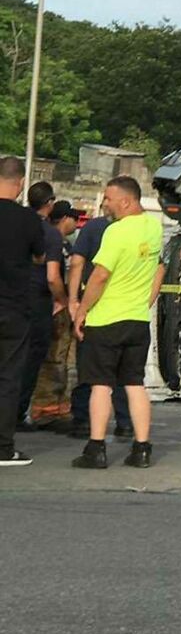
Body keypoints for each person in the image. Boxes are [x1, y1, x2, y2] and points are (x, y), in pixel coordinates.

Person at [72, 176, 164, 470]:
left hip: (106, 319)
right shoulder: (153, 228)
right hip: (136, 320)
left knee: (101, 385)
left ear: (126, 201)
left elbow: (99, 275)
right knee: (135, 384)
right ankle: (142, 448)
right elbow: (159, 269)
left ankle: (96, 448)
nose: (105, 204)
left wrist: (82, 310)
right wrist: (145, 302)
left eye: (109, 199)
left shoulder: (116, 232)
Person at [67, 205, 133, 440]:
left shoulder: (94, 227)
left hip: (95, 306)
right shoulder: (138, 230)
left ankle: (84, 420)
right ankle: (125, 422)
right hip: (127, 309)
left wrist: (74, 302)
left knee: (90, 368)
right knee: (125, 371)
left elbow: (77, 263)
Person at [0, 157, 45, 467]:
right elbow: (41, 257)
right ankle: (3, 447)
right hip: (13, 307)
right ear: (19, 184)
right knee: (8, 378)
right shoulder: (28, 219)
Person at [17, 181, 67, 432]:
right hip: (38, 302)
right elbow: (52, 276)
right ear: (50, 204)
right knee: (31, 360)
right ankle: (17, 413)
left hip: (13, 298)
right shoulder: (51, 235)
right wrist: (63, 299)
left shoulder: (17, 224)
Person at [31, 201, 84, 430]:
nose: (76, 222)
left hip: (59, 306)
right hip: (55, 307)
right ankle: (46, 409)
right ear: (64, 219)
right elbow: (53, 277)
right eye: (74, 218)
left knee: (63, 361)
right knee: (53, 359)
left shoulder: (62, 243)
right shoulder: (54, 240)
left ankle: (60, 407)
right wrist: (62, 301)